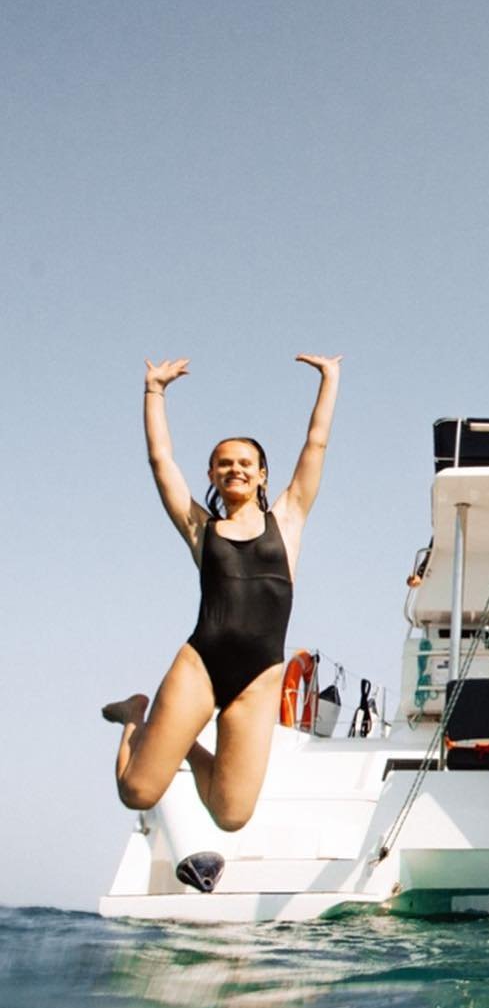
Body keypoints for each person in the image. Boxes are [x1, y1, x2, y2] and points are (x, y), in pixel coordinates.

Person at [102, 353, 342, 832]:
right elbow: (160, 461)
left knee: (231, 815)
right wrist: (154, 391)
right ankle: (136, 713)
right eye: (224, 463)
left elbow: (316, 444)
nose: (235, 469)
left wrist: (330, 379)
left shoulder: (288, 519)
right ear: (212, 474)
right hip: (201, 666)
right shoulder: (201, 529)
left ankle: (180, 742)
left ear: (262, 474)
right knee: (137, 792)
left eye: (245, 463)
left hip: (259, 679)